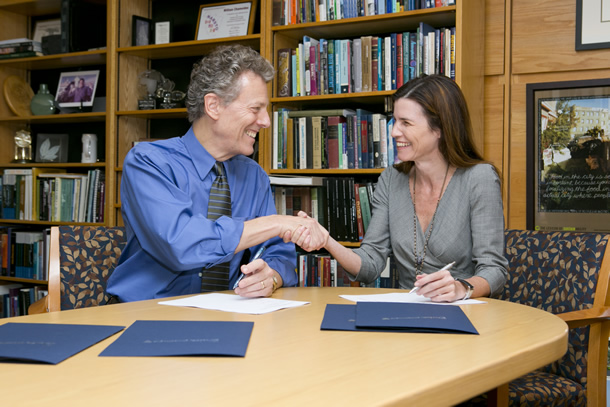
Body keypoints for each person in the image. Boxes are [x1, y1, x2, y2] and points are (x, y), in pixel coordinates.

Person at [106, 44, 325, 302]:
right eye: (256, 109)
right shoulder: (148, 162)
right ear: (213, 106)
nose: (266, 121)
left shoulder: (254, 176)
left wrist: (271, 276)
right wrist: (276, 222)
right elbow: (181, 244)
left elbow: (280, 256)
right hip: (145, 315)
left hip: (227, 317)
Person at [289, 74, 508, 303]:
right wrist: (327, 241)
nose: (394, 132)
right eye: (395, 121)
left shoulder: (479, 178)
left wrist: (461, 288)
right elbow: (370, 264)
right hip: (406, 314)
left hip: (463, 311)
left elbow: (494, 270)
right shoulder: (391, 179)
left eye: (406, 123)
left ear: (439, 128)